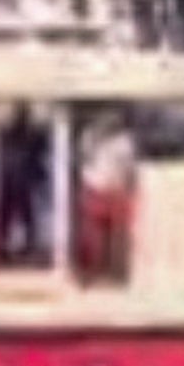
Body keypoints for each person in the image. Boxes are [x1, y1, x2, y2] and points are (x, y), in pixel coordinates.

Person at [78, 115, 142, 288]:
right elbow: (130, 168)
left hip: (107, 189)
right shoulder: (96, 137)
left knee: (114, 236)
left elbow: (130, 168)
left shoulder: (120, 141)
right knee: (99, 236)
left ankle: (109, 275)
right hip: (103, 188)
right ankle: (97, 275)